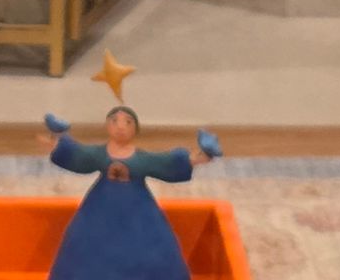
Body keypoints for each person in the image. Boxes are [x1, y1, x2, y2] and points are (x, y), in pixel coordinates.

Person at [43, 105, 223, 280]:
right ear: (108, 126)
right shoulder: (99, 154)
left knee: (148, 248)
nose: (121, 126)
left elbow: (165, 162)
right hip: (99, 209)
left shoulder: (142, 158)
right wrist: (59, 140)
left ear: (136, 129)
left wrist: (198, 157)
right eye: (115, 121)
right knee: (88, 247)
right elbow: (80, 155)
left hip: (139, 212)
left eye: (128, 122)